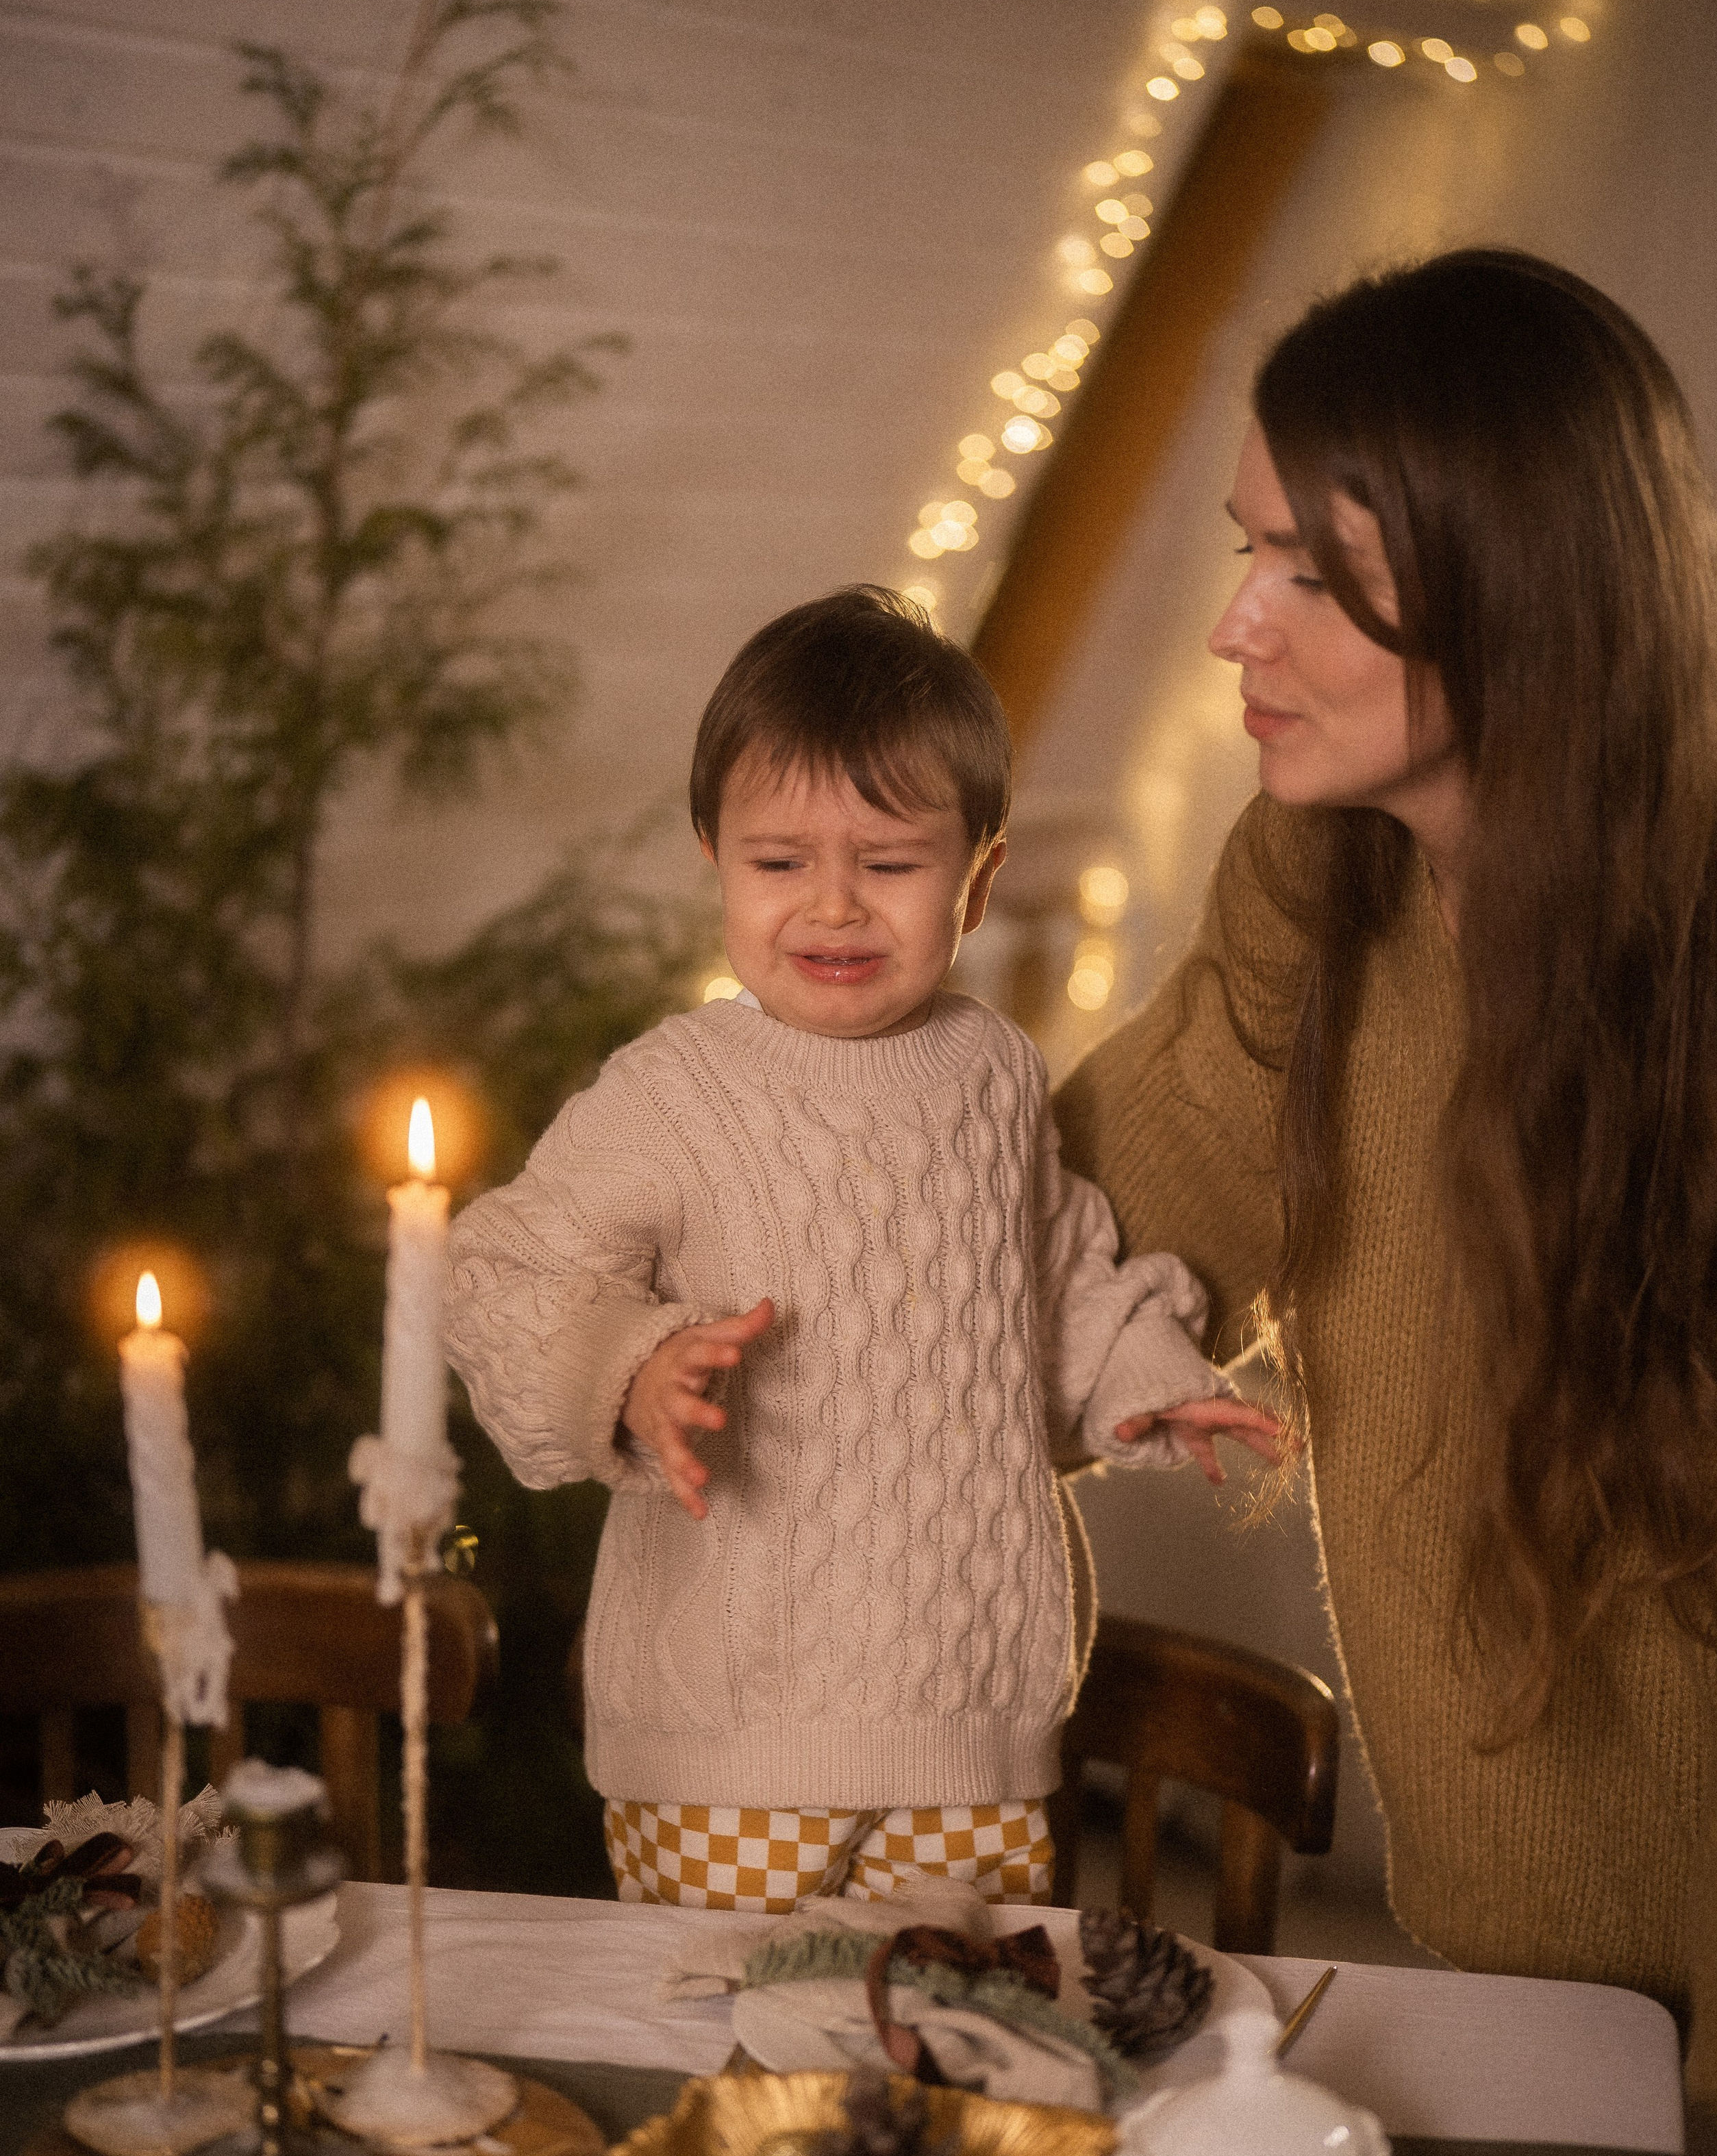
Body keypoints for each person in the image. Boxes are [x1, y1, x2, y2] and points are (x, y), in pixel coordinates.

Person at [1053, 249, 1717, 2114]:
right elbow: (1080, 1250)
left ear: (1516, 589)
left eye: (1309, 575)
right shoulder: (1323, 884)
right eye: (1242, 552)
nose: (1234, 632)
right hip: (1512, 1999)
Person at [444, 588, 1284, 1915]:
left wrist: (1145, 1368)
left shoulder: (994, 1075)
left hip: (974, 1721)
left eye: (888, 865)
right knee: (736, 2066)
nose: (832, 907)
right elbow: (502, 1271)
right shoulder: (677, 1090)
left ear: (977, 874)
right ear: (711, 855)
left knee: (952, 2054)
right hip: (731, 1738)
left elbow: (1052, 1273)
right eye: (779, 864)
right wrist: (628, 1368)